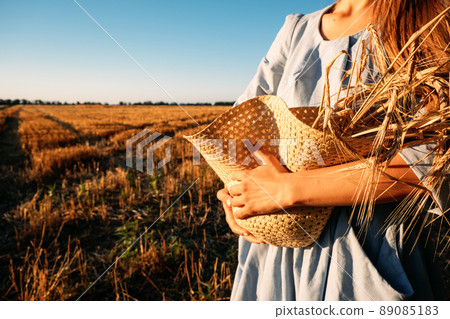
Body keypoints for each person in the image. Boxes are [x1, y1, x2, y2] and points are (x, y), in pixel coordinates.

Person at [216, 0, 449, 301]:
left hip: (367, 255)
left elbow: (434, 155)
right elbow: (242, 123)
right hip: (275, 248)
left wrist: (290, 189)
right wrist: (235, 192)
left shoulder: (429, 16)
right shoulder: (296, 29)